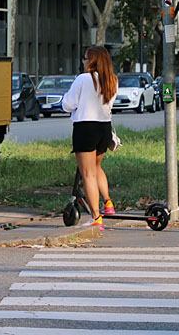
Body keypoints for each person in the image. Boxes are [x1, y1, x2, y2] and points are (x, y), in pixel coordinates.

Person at [61, 46, 119, 230]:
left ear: (93, 60)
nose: (83, 61)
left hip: (85, 127)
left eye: (85, 58)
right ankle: (108, 203)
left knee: (87, 174)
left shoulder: (83, 79)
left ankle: (96, 216)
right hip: (104, 128)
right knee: (96, 167)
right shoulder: (112, 80)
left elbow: (68, 104)